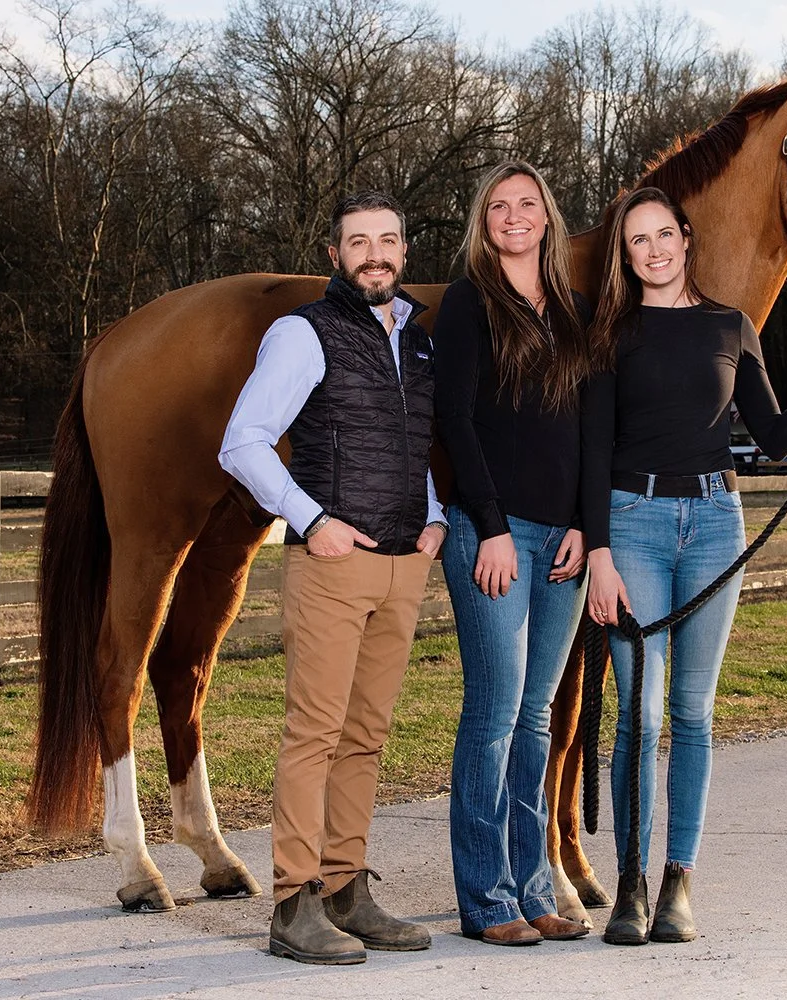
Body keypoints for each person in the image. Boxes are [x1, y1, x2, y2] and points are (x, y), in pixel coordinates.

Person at [581, 186, 787, 946]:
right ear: (626, 255)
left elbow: (777, 437)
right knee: (639, 716)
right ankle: (632, 882)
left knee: (692, 714)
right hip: (632, 523)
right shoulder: (610, 333)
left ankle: (680, 878)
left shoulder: (730, 326)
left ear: (686, 239)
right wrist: (599, 554)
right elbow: (590, 454)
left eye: (662, 235)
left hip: (715, 522)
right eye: (636, 241)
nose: (652, 250)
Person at [219, 191, 447, 966]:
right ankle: (293, 900)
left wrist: (436, 514)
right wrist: (311, 520)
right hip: (334, 563)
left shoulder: (418, 338)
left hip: (403, 563)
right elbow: (242, 442)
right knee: (314, 733)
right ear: (334, 255)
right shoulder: (303, 333)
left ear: (405, 252)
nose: (375, 254)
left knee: (366, 737)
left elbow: (413, 442)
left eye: (388, 240)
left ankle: (348, 888)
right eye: (359, 242)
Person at [434, 161, 596, 947]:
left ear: (548, 216)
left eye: (528, 203)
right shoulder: (469, 302)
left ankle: (534, 889)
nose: (514, 216)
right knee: (494, 715)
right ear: (483, 221)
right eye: (499, 206)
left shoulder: (574, 309)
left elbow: (587, 432)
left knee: (536, 721)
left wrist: (581, 526)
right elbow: (456, 422)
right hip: (491, 535)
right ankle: (486, 898)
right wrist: (490, 524)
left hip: (560, 541)